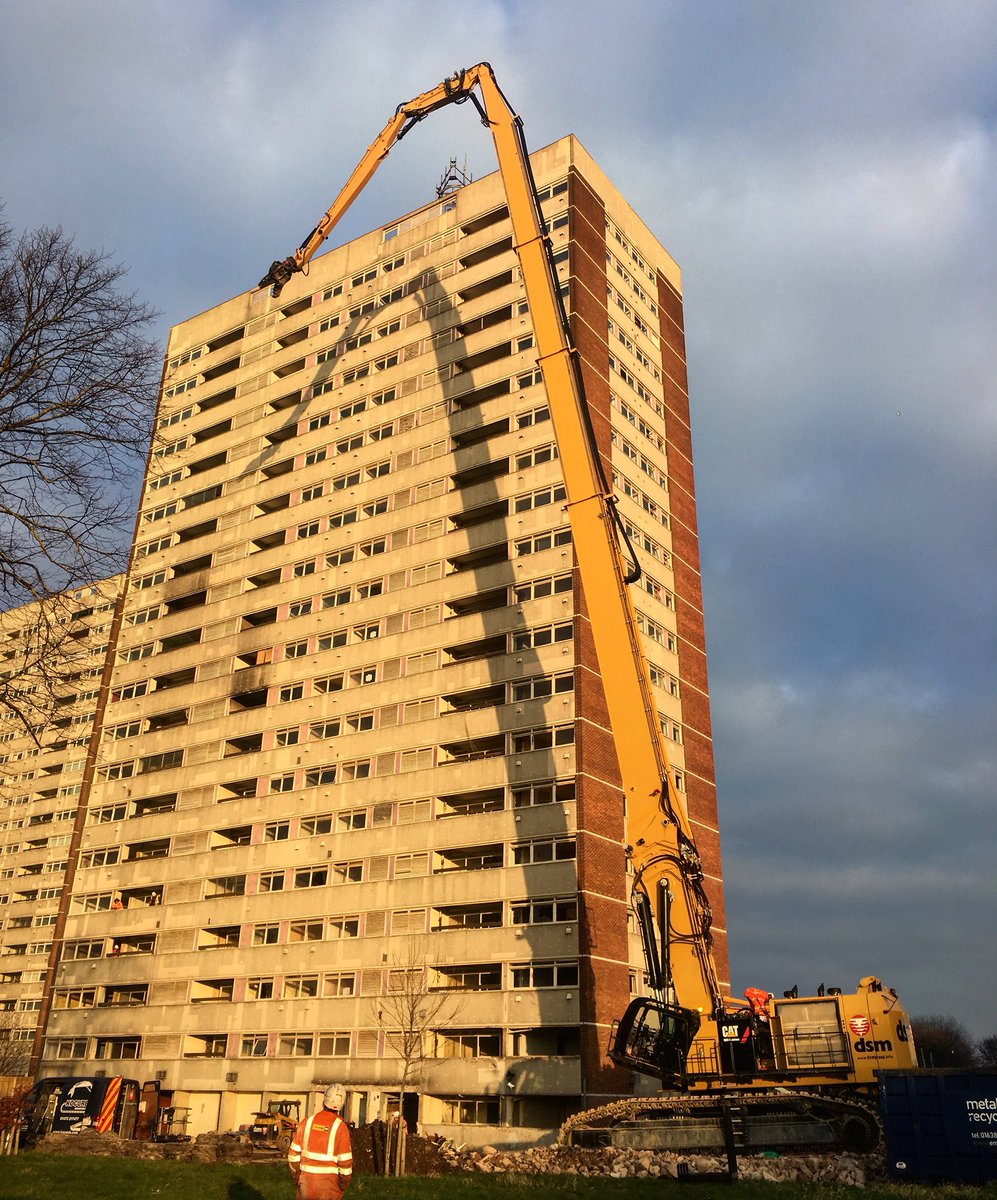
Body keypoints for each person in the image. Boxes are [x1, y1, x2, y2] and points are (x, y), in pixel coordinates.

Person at [288, 1084, 353, 1200]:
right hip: (330, 1189)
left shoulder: (306, 1122)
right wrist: (343, 1185)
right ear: (341, 1105)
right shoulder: (341, 1128)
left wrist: (297, 1177)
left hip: (306, 1186)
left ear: (324, 1101)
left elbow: (293, 1156)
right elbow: (345, 1164)